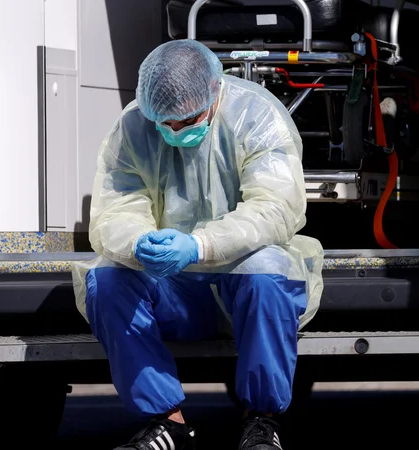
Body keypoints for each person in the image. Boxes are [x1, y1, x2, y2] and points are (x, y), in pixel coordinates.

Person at [71, 39, 324, 450]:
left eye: (186, 120)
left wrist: (200, 245)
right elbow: (115, 209)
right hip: (173, 286)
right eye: (164, 123)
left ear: (214, 92)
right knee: (107, 279)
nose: (174, 132)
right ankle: (167, 423)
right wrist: (138, 242)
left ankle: (261, 420)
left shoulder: (255, 116)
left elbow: (275, 209)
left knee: (268, 270)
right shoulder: (134, 125)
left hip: (238, 277)